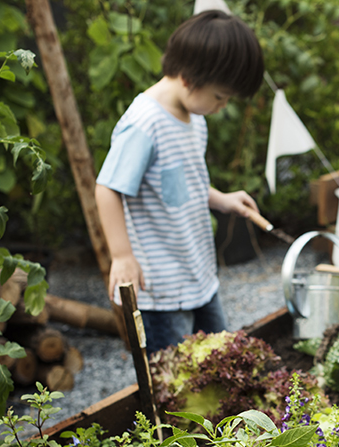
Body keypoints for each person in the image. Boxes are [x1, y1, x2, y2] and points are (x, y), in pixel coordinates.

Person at [95, 10, 264, 354]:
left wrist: (222, 199)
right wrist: (122, 254)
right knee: (173, 378)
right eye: (220, 96)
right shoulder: (144, 124)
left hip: (196, 271)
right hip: (159, 286)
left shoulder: (192, 116)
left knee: (219, 357)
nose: (222, 106)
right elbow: (107, 188)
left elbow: (182, 184)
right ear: (188, 78)